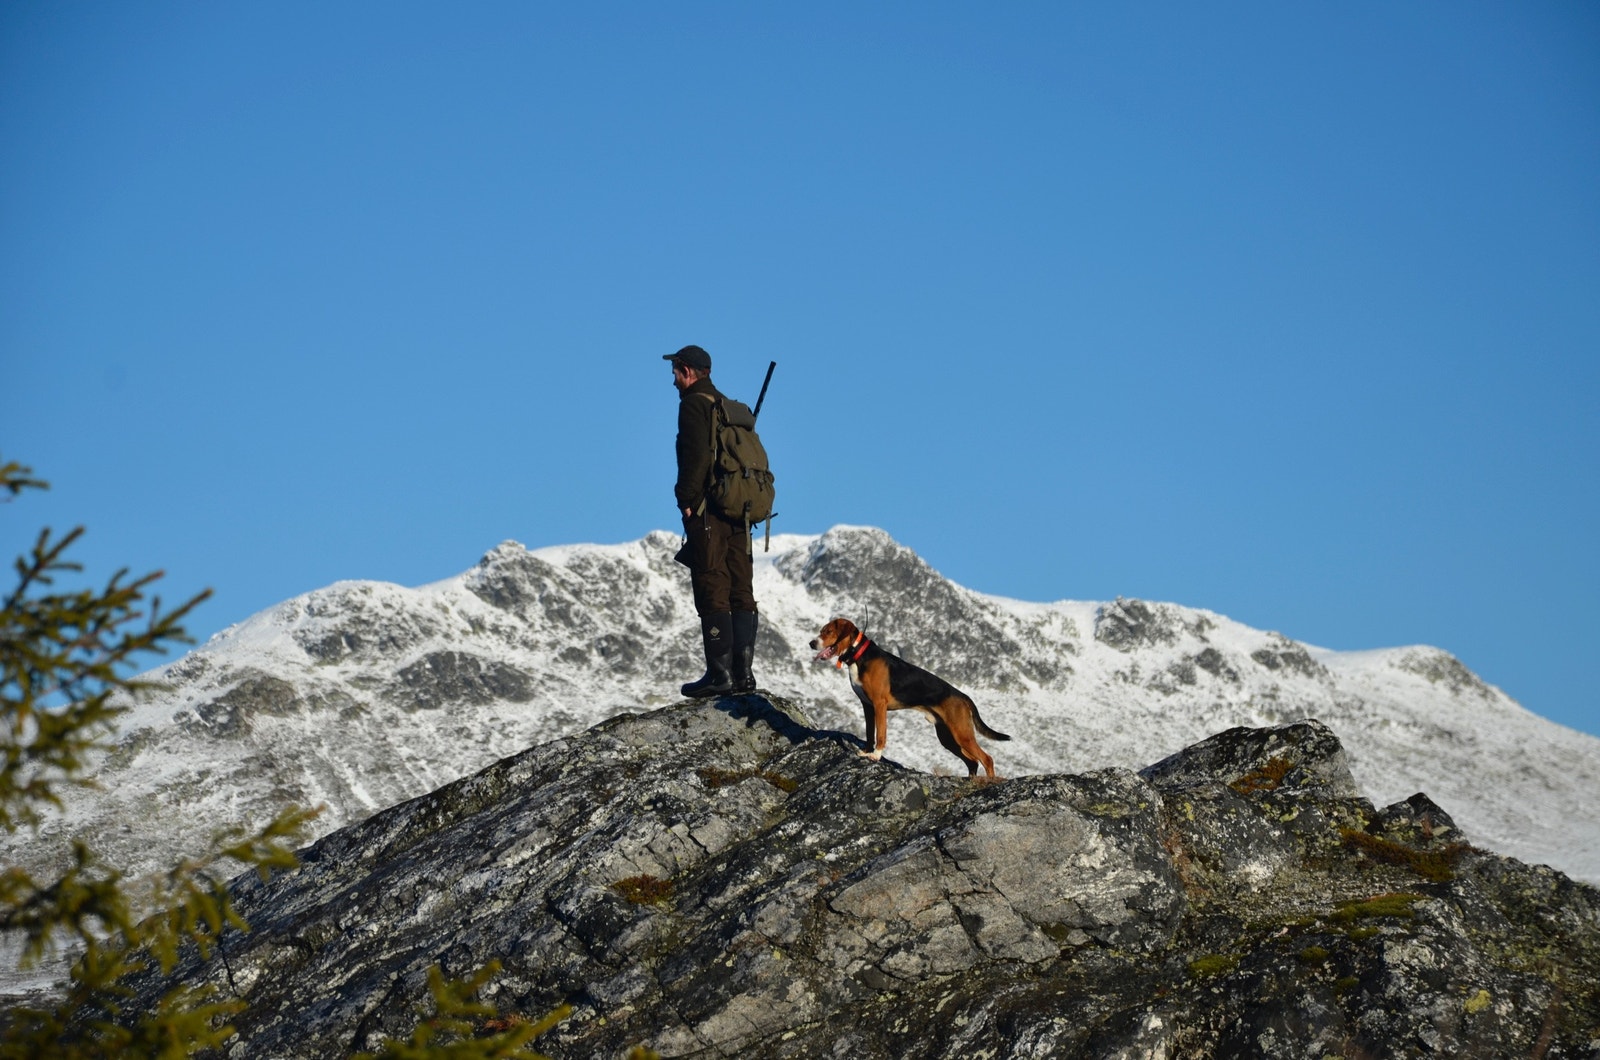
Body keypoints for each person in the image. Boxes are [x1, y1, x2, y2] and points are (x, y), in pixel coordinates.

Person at [664, 344, 760, 697]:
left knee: (712, 584)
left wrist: (686, 499)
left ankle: (720, 675)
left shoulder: (693, 405)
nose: (673, 380)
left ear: (688, 371)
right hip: (739, 510)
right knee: (740, 586)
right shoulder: (727, 406)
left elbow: (696, 456)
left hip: (708, 511)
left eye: (675, 372)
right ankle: (744, 676)